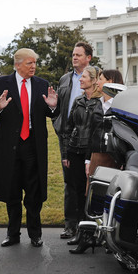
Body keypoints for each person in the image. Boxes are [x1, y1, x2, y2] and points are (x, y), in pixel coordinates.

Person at [0, 48, 58, 248]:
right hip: (9, 146)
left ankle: (35, 234)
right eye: (29, 63)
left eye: (35, 63)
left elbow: (52, 112)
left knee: (34, 193)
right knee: (12, 191)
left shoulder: (42, 84)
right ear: (17, 65)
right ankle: (13, 234)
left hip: (33, 145)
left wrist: (52, 107)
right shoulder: (2, 83)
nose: (33, 66)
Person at [53, 42, 93, 239]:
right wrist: (57, 121)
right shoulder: (65, 79)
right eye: (73, 54)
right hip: (68, 136)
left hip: (89, 137)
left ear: (88, 58)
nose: (74, 57)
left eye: (79, 54)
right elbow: (58, 107)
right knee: (69, 181)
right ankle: (70, 225)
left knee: (88, 183)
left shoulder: (95, 77)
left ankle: (88, 225)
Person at [62, 66, 102, 246]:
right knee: (77, 192)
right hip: (74, 152)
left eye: (84, 77)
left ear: (94, 80)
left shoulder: (100, 102)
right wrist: (66, 153)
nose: (81, 79)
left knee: (90, 194)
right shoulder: (78, 101)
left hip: (91, 153)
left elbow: (97, 131)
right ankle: (80, 232)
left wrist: (89, 156)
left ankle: (90, 233)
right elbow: (69, 128)